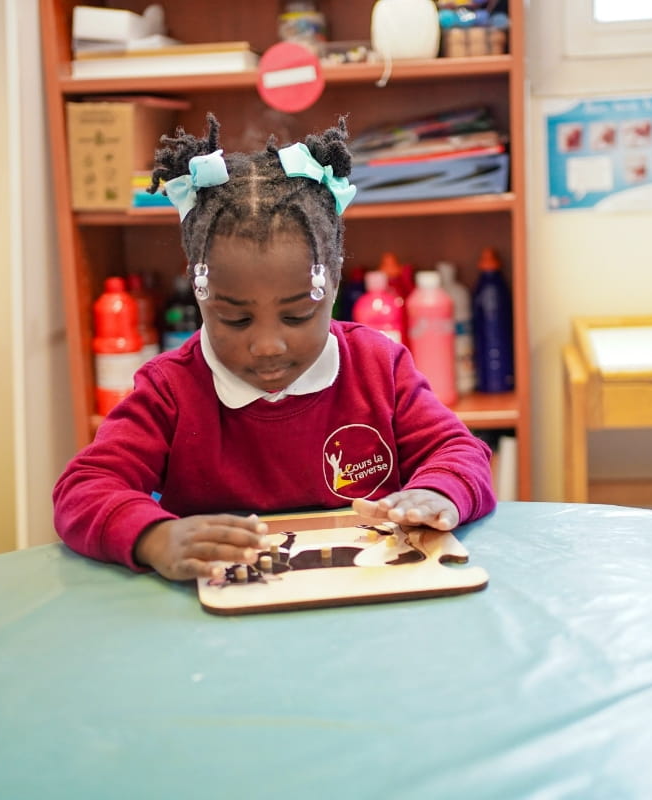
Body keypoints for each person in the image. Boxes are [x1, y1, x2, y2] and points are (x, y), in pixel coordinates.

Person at [53, 113, 496, 582]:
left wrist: (438, 492)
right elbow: (83, 489)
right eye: (235, 318)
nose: (267, 346)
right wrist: (154, 537)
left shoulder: (378, 366)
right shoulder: (170, 390)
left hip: (365, 606)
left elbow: (459, 451)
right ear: (200, 293)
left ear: (333, 286)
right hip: (225, 621)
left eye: (296, 315)